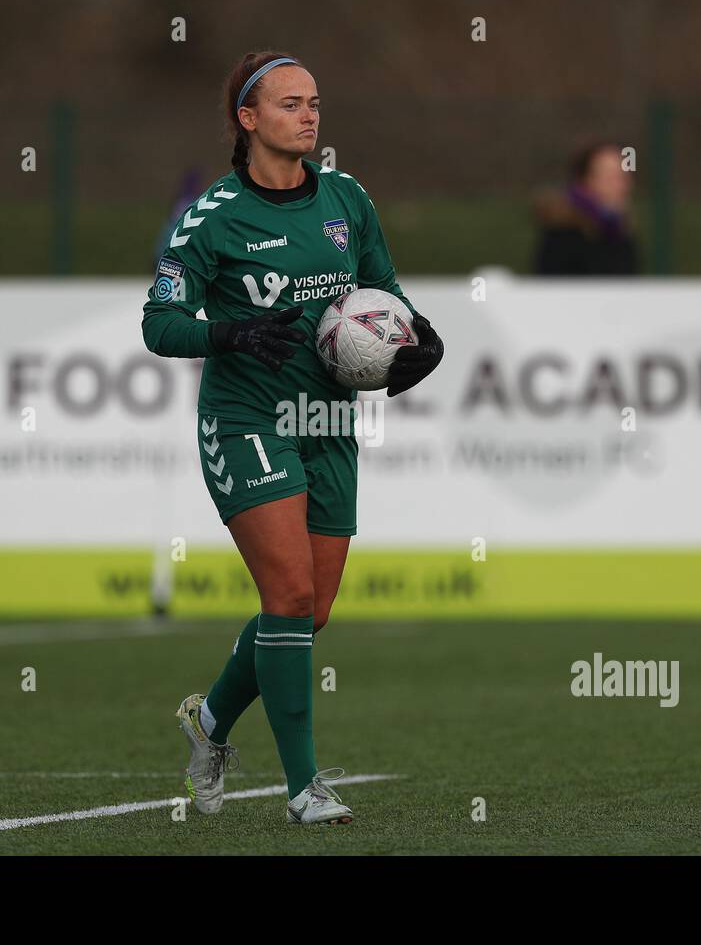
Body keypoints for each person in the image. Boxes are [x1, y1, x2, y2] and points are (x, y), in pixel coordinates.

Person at [140, 50, 444, 825]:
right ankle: (303, 788)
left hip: (329, 422)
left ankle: (206, 724)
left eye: (315, 101)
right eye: (289, 104)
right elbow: (160, 323)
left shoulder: (346, 198)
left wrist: (419, 340)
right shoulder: (211, 218)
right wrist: (230, 333)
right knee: (288, 594)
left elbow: (384, 290)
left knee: (309, 614)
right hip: (247, 423)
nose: (309, 115)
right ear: (247, 119)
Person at [533, 140, 638, 275]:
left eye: (623, 177)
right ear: (585, 181)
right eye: (610, 177)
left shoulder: (622, 234)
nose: (621, 185)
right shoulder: (562, 238)